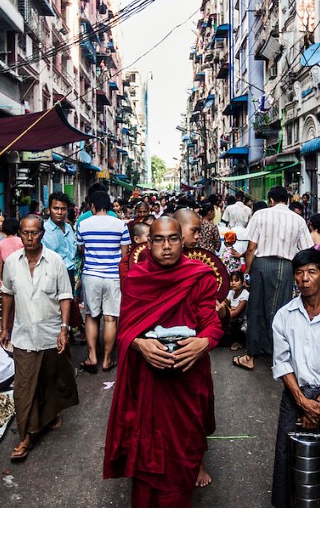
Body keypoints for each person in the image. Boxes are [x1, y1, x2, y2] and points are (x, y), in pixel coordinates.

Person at [103, 216, 223, 507]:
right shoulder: (136, 279)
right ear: (148, 243)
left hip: (187, 376)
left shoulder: (199, 275)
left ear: (182, 242)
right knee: (147, 448)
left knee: (184, 446)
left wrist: (203, 343)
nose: (166, 247)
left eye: (173, 239)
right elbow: (126, 328)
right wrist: (139, 344)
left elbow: (212, 323)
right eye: (159, 240)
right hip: (150, 381)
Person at [270, 248, 320, 507]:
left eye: (311, 272)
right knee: (286, 456)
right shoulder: (284, 316)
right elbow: (282, 362)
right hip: (294, 393)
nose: (304, 278)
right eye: (299, 273)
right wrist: (302, 402)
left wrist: (317, 404)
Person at [0, 215, 79, 461]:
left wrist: (64, 329)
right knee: (23, 389)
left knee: (49, 380)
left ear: (42, 233)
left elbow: (66, 296)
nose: (30, 237)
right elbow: (7, 295)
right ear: (19, 234)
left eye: (34, 232)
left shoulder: (55, 262)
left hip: (51, 333)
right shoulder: (12, 262)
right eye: (25, 233)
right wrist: (5, 327)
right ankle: (25, 436)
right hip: (24, 335)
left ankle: (50, 413)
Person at [234, 187, 313, 372]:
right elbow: (307, 250)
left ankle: (250, 356)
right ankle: (279, 358)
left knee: (256, 309)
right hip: (286, 267)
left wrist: (248, 271)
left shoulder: (260, 215)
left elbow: (252, 248)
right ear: (286, 200)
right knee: (280, 311)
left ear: (271, 200)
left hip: (261, 265)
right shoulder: (298, 219)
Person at [76, 192, 131, 373]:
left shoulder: (83, 224)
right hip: (112, 276)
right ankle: (107, 360)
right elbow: (125, 254)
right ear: (108, 205)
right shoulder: (120, 225)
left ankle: (92, 357)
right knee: (110, 318)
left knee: (91, 316)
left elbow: (81, 249)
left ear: (92, 205)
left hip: (91, 275)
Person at [41, 192, 78, 288]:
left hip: (70, 275)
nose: (60, 212)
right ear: (49, 209)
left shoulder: (69, 228)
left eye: (63, 209)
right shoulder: (43, 230)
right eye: (56, 208)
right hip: (51, 276)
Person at [219, 270, 249, 351]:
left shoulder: (245, 294)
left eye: (236, 280)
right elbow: (222, 304)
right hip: (230, 320)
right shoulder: (231, 292)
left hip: (240, 324)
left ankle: (238, 341)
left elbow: (235, 313)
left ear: (242, 283)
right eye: (231, 280)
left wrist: (227, 309)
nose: (233, 283)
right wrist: (227, 309)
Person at [0, 216, 23, 283]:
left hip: (7, 274)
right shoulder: (22, 242)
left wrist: (0, 279)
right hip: (21, 272)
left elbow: (0, 264)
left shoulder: (0, 244)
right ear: (18, 229)